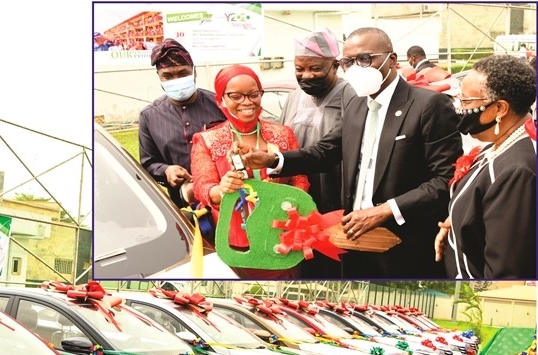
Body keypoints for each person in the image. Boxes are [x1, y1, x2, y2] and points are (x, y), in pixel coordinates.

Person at [242, 27, 462, 277]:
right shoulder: (357, 104)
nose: (356, 68)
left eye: (365, 59)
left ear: (392, 59)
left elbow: (445, 179)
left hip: (404, 242)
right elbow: (326, 151)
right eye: (348, 62)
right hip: (352, 237)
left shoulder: (428, 105)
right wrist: (273, 159)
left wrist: (383, 210)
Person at [181, 64, 309, 276]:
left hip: (282, 237)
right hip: (236, 243)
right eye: (236, 96)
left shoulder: (283, 134)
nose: (247, 102)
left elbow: (300, 178)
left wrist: (293, 203)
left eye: (253, 94)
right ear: (221, 99)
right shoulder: (206, 140)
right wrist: (222, 189)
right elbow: (203, 189)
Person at [435, 54, 536, 278]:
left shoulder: (517, 172)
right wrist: (457, 223)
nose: (460, 108)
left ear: (500, 108)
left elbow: (505, 271)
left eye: (467, 102)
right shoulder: (497, 145)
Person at [280, 28, 352, 277]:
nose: (306, 75)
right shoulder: (293, 97)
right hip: (298, 193)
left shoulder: (351, 95)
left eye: (315, 69)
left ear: (335, 65)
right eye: (300, 69)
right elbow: (283, 141)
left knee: (334, 260)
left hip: (337, 191)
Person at [138, 39, 226, 210]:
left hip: (226, 201)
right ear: (159, 77)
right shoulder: (149, 116)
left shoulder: (221, 105)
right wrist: (166, 170)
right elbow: (148, 163)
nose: (176, 80)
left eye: (183, 73)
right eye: (168, 76)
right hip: (183, 208)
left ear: (194, 72)